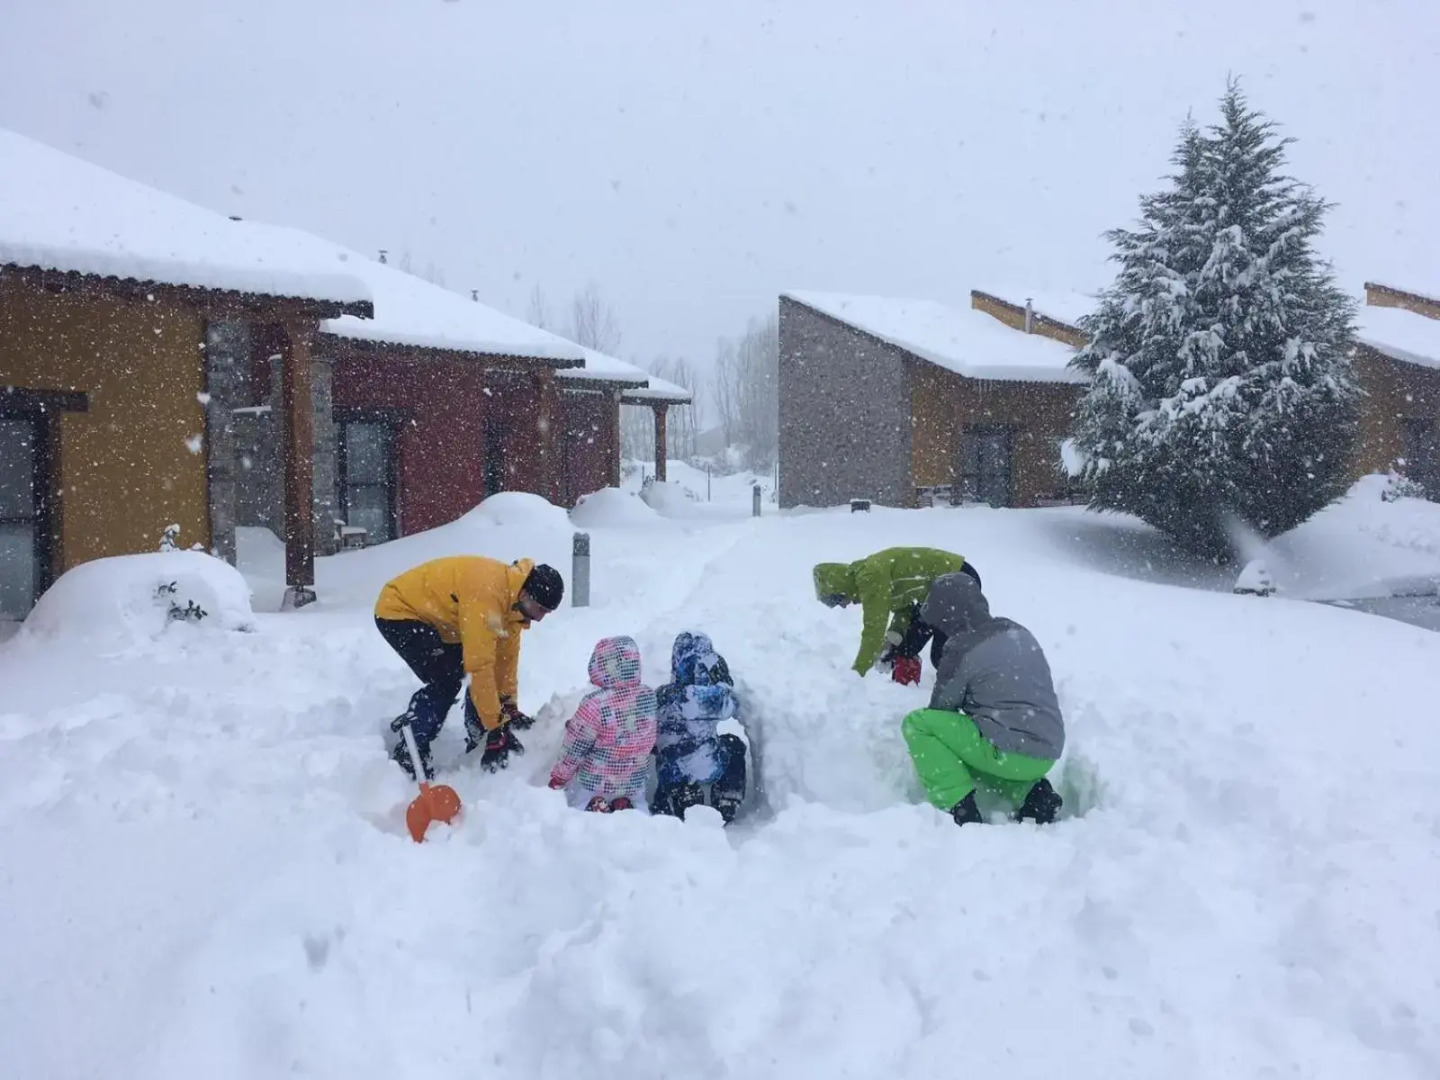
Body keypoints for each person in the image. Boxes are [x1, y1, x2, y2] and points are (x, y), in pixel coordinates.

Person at [373, 555, 563, 779]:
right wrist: (496, 726)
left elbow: (505, 659)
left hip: (442, 620)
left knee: (473, 668)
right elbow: (479, 666)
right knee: (447, 680)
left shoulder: (513, 606)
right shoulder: (490, 597)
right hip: (400, 611)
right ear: (525, 594)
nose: (540, 618)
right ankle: (411, 749)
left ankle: (479, 731)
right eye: (539, 609)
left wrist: (507, 705)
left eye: (546, 613)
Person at [900, 571, 1064, 827]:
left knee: (920, 726)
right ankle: (1034, 794)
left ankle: (959, 806)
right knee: (989, 743)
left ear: (946, 615)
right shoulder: (1018, 631)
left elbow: (942, 710)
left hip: (1007, 752)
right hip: (1047, 752)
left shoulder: (960, 648)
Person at [812, 547, 981, 684]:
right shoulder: (868, 575)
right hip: (941, 590)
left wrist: (858, 674)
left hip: (957, 580)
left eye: (837, 599)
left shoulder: (870, 576)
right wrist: (892, 639)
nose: (842, 605)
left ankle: (986, 682)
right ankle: (906, 690)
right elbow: (904, 609)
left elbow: (874, 628)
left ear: (840, 586)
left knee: (942, 656)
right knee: (906, 647)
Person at [547, 635, 658, 812]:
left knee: (581, 818)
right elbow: (647, 737)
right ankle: (625, 806)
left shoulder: (595, 704)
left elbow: (575, 747)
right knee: (638, 820)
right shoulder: (648, 697)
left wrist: (560, 776)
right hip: (634, 780)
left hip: (595, 781)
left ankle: (596, 805)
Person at [652, 631, 747, 824]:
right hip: (709, 765)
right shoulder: (708, 697)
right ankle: (727, 797)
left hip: (671, 770)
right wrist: (723, 681)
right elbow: (731, 704)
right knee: (733, 744)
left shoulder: (661, 695)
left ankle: (677, 795)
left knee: (666, 755)